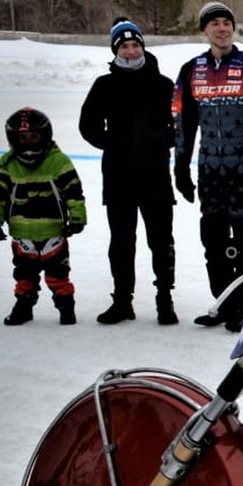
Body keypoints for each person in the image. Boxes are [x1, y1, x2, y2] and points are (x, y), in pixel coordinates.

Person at [173, 1, 243, 330]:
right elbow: (183, 122)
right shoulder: (191, 70)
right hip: (210, 173)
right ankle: (222, 303)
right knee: (213, 244)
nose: (222, 28)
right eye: (214, 23)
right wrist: (180, 167)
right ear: (204, 30)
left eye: (226, 23)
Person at [79, 17, 179, 325]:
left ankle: (165, 299)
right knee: (121, 241)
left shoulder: (163, 85)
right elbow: (88, 126)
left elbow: (179, 126)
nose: (131, 51)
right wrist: (114, 143)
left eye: (136, 45)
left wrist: (159, 140)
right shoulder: (104, 85)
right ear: (115, 51)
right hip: (119, 175)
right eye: (125, 46)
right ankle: (122, 301)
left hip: (155, 175)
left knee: (161, 240)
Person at [0, 107, 86, 325]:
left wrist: (78, 218)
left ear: (45, 135)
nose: (29, 142)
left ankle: (66, 307)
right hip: (22, 234)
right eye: (23, 138)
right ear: (14, 138)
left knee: (58, 275)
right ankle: (23, 306)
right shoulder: (7, 162)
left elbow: (74, 191)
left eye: (34, 137)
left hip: (54, 232)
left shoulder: (58, 161)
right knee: (24, 276)